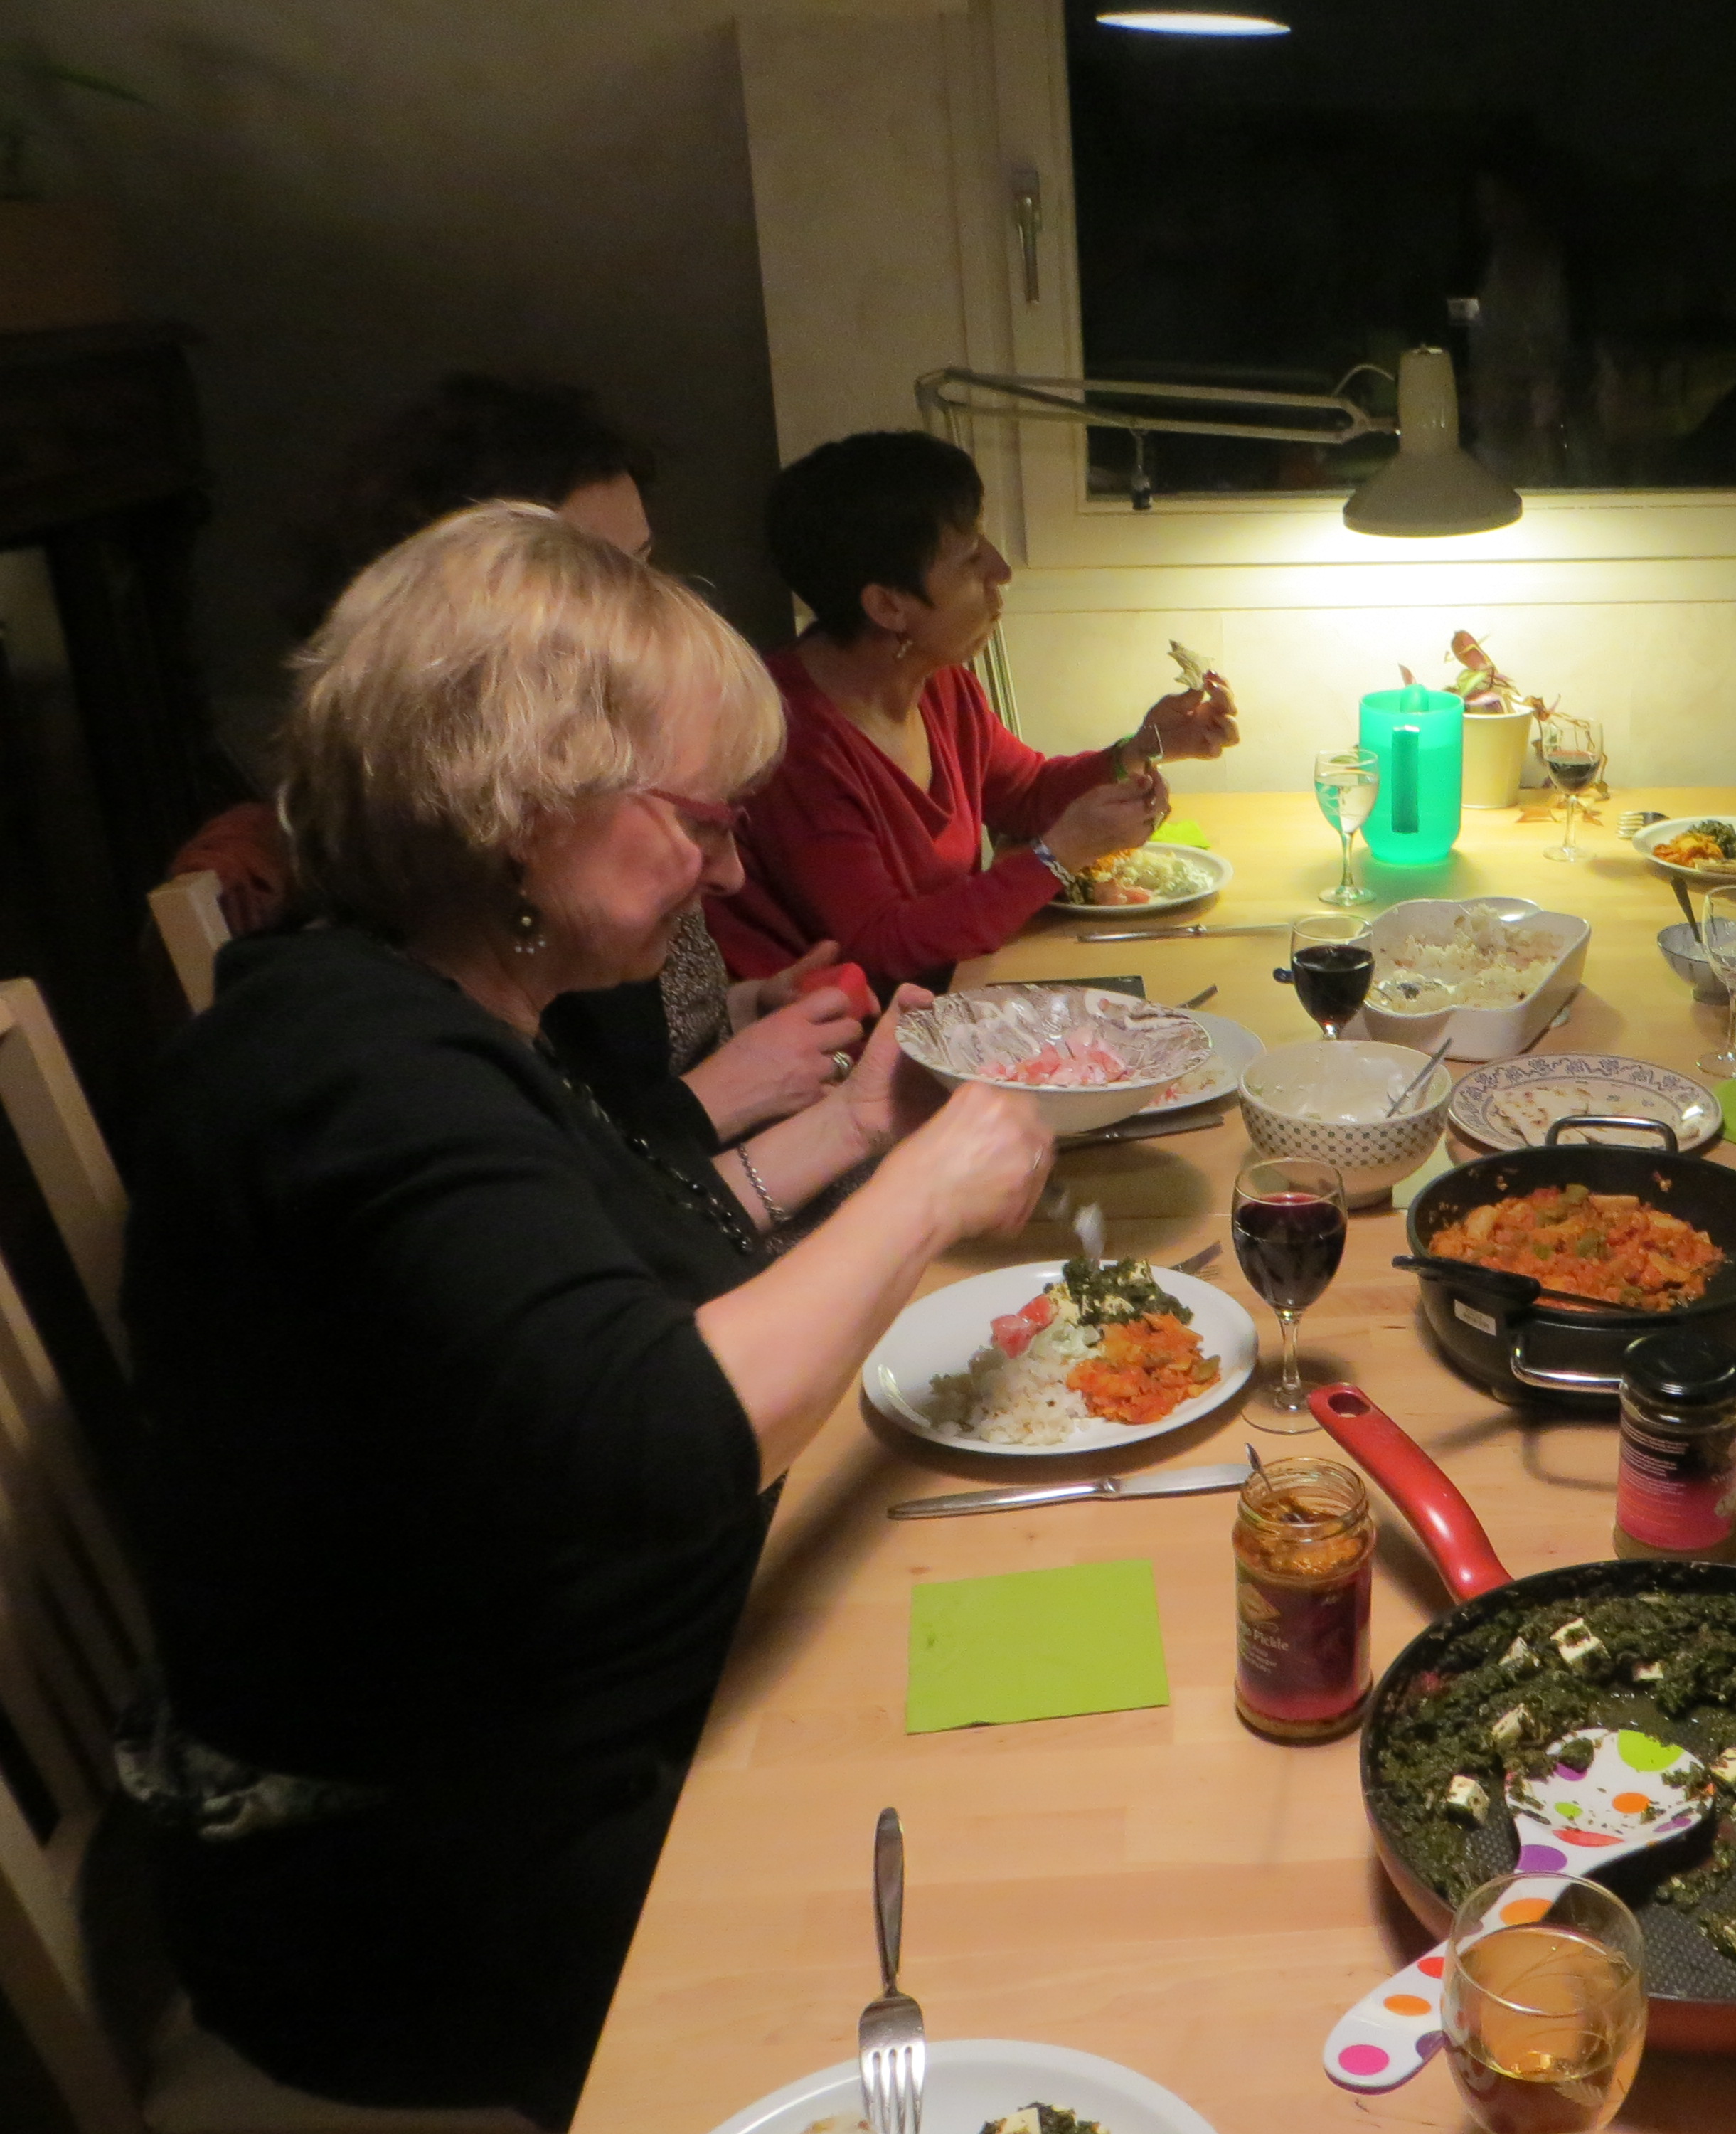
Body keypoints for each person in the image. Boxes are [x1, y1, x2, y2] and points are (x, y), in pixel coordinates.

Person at [117, 504, 1055, 2127]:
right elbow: (653, 1438)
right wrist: (923, 1197)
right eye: (699, 823)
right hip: (419, 1880)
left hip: (572, 1724)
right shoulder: (349, 1070)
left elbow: (625, 1263)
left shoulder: (438, 1008)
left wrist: (858, 1129)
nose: (731, 870)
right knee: (1043, 1901)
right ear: (526, 799)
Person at [163, 372, 857, 1150]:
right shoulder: (458, 950)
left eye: (643, 567)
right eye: (597, 576)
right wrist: (730, 1096)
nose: (654, 610)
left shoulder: (586, 853)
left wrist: (748, 1011)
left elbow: (625, 1071)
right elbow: (586, 1155)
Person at [706, 430, 1241, 992]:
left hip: (944, 987)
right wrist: (1059, 856)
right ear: (888, 605)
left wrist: (1142, 748)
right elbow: (881, 950)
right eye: (970, 558)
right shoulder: (790, 742)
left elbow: (1026, 794)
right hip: (848, 1027)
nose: (1001, 569)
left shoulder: (939, 684)